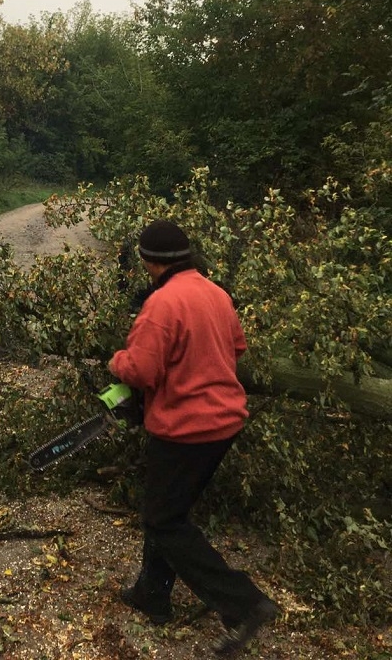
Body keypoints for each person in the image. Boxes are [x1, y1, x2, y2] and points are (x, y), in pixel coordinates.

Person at [108, 219, 279, 655]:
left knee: (162, 520)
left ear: (149, 262)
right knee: (170, 508)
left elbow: (142, 370)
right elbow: (236, 348)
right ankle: (153, 593)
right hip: (224, 425)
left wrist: (117, 363)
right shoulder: (216, 293)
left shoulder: (162, 303)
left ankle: (244, 602)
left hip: (186, 428)